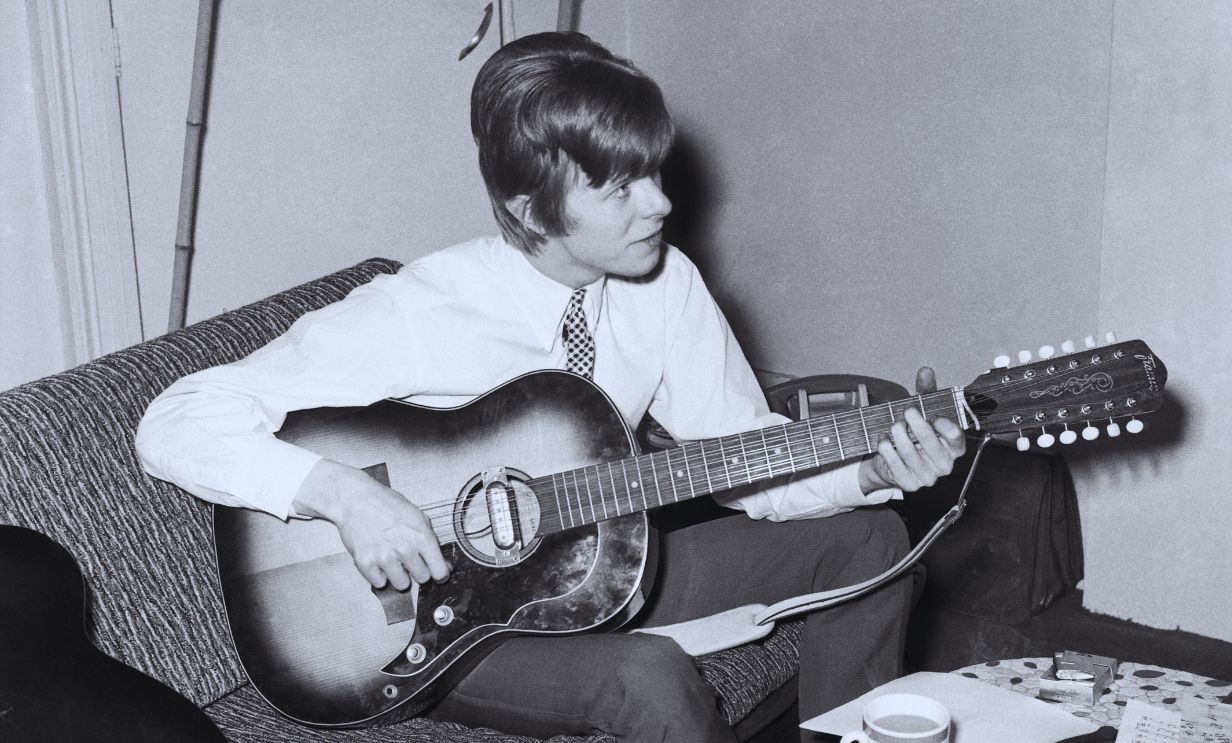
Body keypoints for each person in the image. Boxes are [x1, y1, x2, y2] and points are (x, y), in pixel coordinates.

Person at [136, 31, 966, 743]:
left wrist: (870, 469)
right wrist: (345, 496)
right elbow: (175, 419)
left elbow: (738, 455)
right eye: (620, 187)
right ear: (530, 209)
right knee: (649, 674)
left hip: (602, 572)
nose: (659, 203)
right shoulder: (421, 310)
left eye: (653, 171)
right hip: (444, 632)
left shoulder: (664, 284)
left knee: (872, 541)